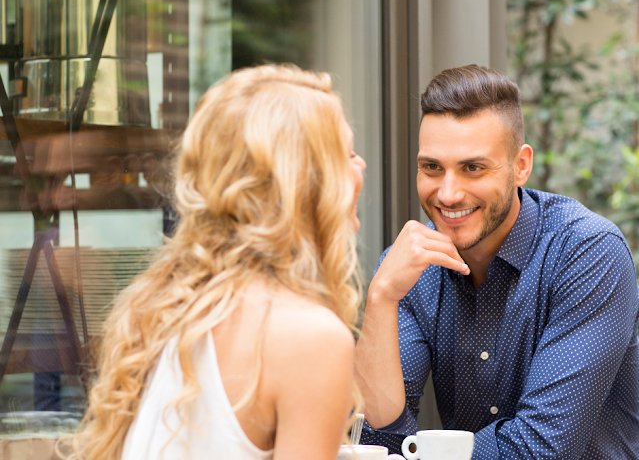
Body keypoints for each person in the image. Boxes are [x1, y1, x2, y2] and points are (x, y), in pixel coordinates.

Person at [72, 65, 367, 460]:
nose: (360, 165)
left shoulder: (162, 308)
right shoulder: (310, 336)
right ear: (306, 181)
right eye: (346, 154)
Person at [355, 65, 639, 459]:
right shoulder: (408, 269)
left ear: (521, 166)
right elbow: (379, 442)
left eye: (473, 168)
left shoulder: (587, 252)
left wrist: (421, 452)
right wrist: (381, 297)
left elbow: (540, 450)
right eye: (431, 167)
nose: (448, 193)